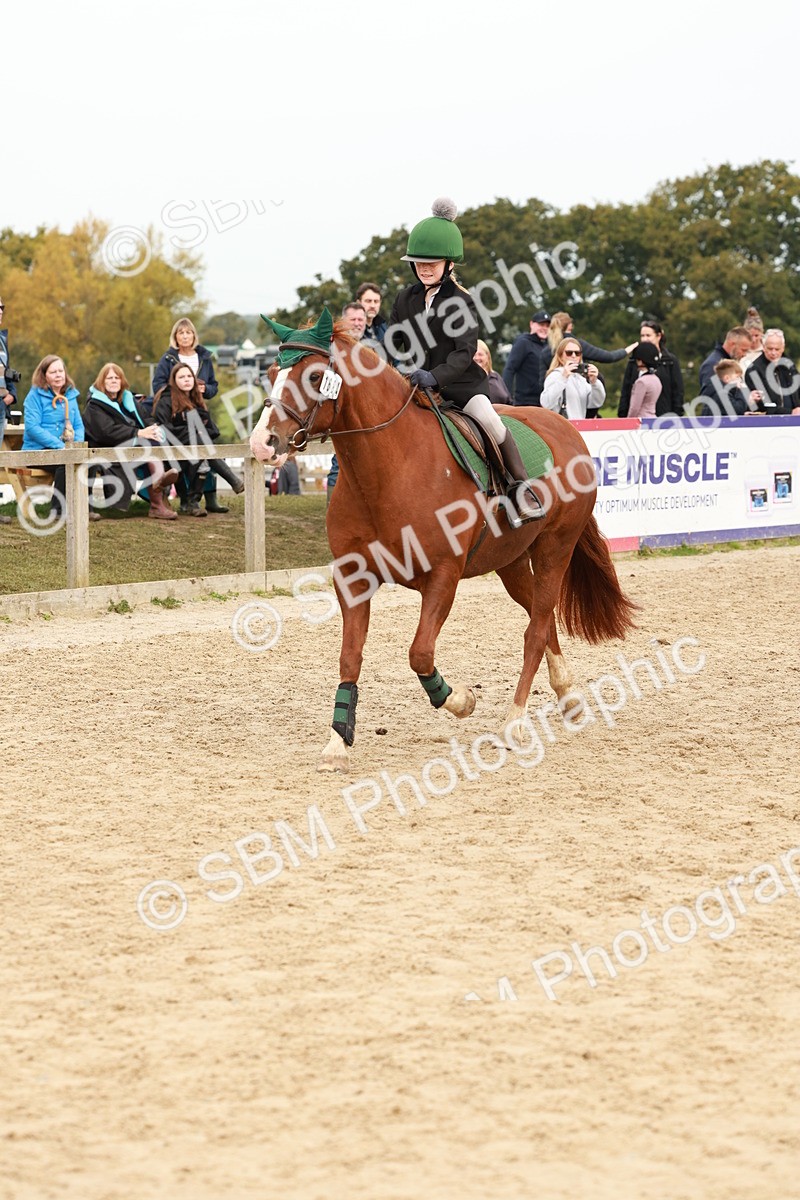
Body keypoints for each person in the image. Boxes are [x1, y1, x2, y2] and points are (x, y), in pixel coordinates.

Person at [388, 197, 543, 522]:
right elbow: (394, 343)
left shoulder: (462, 302)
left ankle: (520, 489)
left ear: (449, 264)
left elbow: (463, 354)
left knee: (490, 420)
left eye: (432, 261)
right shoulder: (404, 298)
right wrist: (394, 370)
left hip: (460, 388)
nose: (424, 267)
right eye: (418, 262)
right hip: (414, 387)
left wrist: (436, 377)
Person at [152, 318, 241, 512]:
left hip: (198, 406)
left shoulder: (205, 357)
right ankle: (192, 500)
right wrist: (178, 390)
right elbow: (157, 385)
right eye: (181, 333)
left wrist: (202, 389)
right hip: (175, 411)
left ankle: (209, 499)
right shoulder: (168, 359)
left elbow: (213, 386)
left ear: (194, 335)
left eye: (188, 332)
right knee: (200, 447)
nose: (185, 336)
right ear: (175, 336)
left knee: (207, 444)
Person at [82, 363, 179, 519]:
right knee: (149, 445)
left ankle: (158, 494)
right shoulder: (95, 405)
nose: (114, 381)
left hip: (134, 445)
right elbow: (106, 432)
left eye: (117, 378)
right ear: (102, 382)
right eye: (109, 378)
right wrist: (138, 433)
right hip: (107, 447)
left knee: (154, 442)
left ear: (122, 381)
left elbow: (146, 418)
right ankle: (158, 495)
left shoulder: (128, 400)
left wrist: (153, 429)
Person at [22, 355, 99, 519]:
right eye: (53, 372)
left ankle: (85, 508)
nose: (58, 375)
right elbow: (32, 428)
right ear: (44, 376)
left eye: (60, 371)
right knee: (65, 464)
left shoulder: (70, 394)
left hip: (66, 448)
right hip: (38, 450)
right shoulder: (34, 396)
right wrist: (59, 446)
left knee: (89, 462)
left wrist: (76, 446)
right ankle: (58, 511)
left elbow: (78, 424)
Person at [154, 363, 221, 517]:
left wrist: (199, 432)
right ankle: (186, 501)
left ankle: (193, 502)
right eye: (181, 377)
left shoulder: (197, 400)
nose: (186, 380)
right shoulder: (166, 399)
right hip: (170, 447)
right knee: (188, 458)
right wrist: (191, 432)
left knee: (203, 456)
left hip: (195, 446)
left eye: (189, 376)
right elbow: (163, 427)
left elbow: (212, 429)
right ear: (174, 380)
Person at [618, 319, 685, 417]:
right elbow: (626, 390)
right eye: (642, 336)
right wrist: (623, 417)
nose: (645, 339)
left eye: (648, 335)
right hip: (638, 420)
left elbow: (677, 391)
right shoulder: (634, 361)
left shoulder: (670, 361)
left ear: (658, 336)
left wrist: (676, 416)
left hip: (665, 417)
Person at [541, 338, 605, 420]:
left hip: (578, 427)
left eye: (577, 353)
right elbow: (546, 403)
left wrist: (594, 382)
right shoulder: (555, 376)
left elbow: (596, 403)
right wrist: (563, 378)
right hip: (559, 427)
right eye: (569, 353)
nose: (573, 356)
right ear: (560, 356)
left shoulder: (581, 378)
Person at [547, 310, 635, 368]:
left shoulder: (545, 350)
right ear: (569, 326)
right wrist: (626, 350)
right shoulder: (577, 346)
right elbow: (609, 357)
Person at [501, 309, 552, 406]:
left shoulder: (549, 347)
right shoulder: (523, 342)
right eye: (541, 325)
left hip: (545, 402)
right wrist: (507, 397)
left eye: (547, 326)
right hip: (526, 402)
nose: (545, 328)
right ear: (531, 324)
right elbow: (510, 369)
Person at [745, 329, 800, 415]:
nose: (773, 353)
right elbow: (762, 404)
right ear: (763, 347)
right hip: (769, 422)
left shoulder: (789, 365)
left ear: (783, 348)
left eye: (777, 349)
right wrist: (790, 412)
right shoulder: (754, 369)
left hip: (794, 420)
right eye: (770, 349)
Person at [0, 293, 18, 524]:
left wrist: (12, 394)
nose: (1, 310)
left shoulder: (2, 340)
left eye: (2, 306)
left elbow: (7, 371)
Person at [698, 327, 752, 392]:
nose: (744, 355)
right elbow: (711, 397)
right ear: (732, 344)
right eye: (743, 350)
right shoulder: (713, 365)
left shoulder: (730, 364)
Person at [626, 343, 663, 418]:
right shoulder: (656, 379)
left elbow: (634, 408)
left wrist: (628, 422)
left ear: (641, 361)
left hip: (641, 420)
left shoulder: (641, 382)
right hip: (653, 418)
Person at [474, 340, 512, 405]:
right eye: (474, 355)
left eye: (480, 354)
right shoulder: (467, 379)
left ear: (487, 357)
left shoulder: (495, 376)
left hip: (504, 412)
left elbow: (509, 400)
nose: (477, 358)